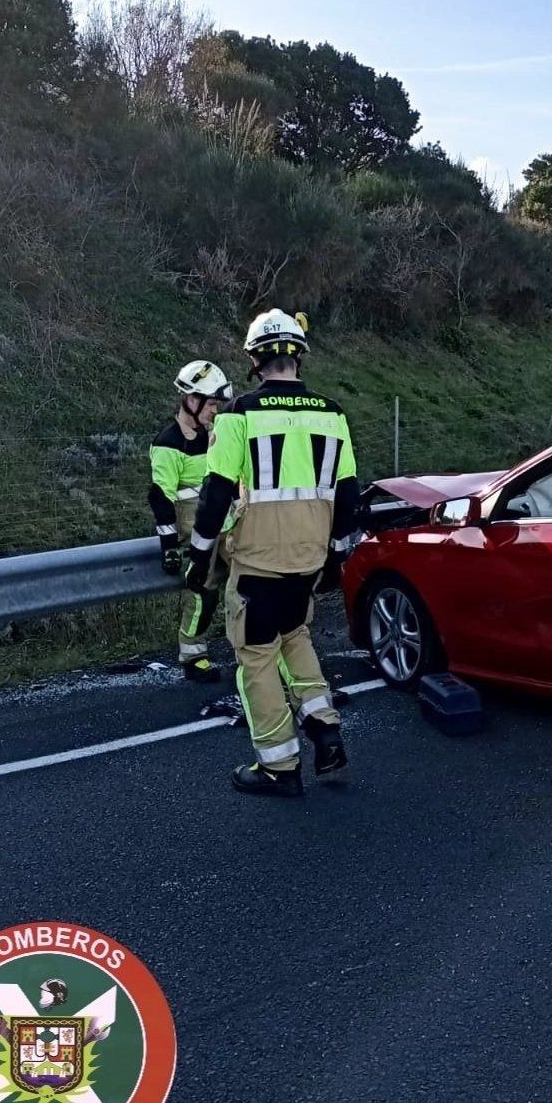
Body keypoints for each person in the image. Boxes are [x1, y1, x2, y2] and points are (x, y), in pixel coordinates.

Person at [185, 310, 358, 796]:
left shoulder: (240, 413)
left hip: (259, 559)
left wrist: (200, 554)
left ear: (255, 359)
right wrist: (338, 555)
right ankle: (324, 725)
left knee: (258, 658)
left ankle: (279, 767)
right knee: (296, 636)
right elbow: (348, 493)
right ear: (297, 355)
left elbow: (217, 490)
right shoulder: (333, 413)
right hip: (310, 557)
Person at [148, 361, 233, 683]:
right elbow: (161, 496)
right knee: (203, 590)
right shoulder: (168, 442)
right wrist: (169, 545)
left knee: (253, 583)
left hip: (228, 519)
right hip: (195, 525)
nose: (215, 410)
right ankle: (192, 652)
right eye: (211, 403)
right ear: (191, 400)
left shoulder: (216, 434)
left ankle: (259, 648)